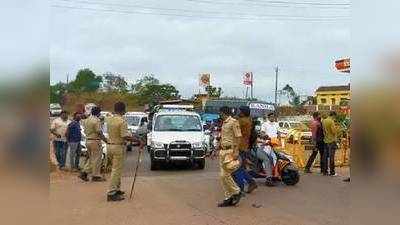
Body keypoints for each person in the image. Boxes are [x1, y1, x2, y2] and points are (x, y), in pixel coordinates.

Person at [105, 102, 143, 202]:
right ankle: (111, 192)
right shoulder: (122, 121)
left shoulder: (109, 119)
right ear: (123, 110)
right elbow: (124, 136)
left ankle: (117, 189)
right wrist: (138, 140)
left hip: (109, 145)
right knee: (116, 170)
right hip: (118, 146)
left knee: (116, 169)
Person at [216, 106, 242, 207]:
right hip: (223, 151)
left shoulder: (233, 122)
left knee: (224, 175)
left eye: (220, 113)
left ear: (223, 113)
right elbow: (223, 137)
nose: (219, 115)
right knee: (222, 177)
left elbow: (238, 137)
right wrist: (216, 148)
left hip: (230, 151)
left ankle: (236, 191)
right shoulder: (224, 123)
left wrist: (236, 151)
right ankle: (229, 197)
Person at [79, 107, 109, 182]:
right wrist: (105, 140)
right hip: (95, 141)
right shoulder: (96, 120)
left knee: (92, 158)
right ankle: (96, 176)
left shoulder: (87, 120)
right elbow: (99, 132)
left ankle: (84, 172)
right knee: (97, 159)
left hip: (88, 140)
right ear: (98, 113)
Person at [233, 106, 257, 193]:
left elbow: (233, 124)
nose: (238, 112)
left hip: (240, 146)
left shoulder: (242, 121)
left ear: (243, 112)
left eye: (240, 111)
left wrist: (234, 117)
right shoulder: (248, 119)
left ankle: (241, 186)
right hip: (244, 146)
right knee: (240, 168)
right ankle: (251, 182)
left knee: (237, 168)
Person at [322, 111, 339, 176]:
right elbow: (333, 131)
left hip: (326, 140)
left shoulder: (324, 121)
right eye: (335, 117)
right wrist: (337, 129)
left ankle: (325, 171)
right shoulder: (331, 121)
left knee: (325, 157)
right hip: (332, 141)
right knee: (332, 157)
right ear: (333, 115)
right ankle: (332, 172)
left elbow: (324, 131)